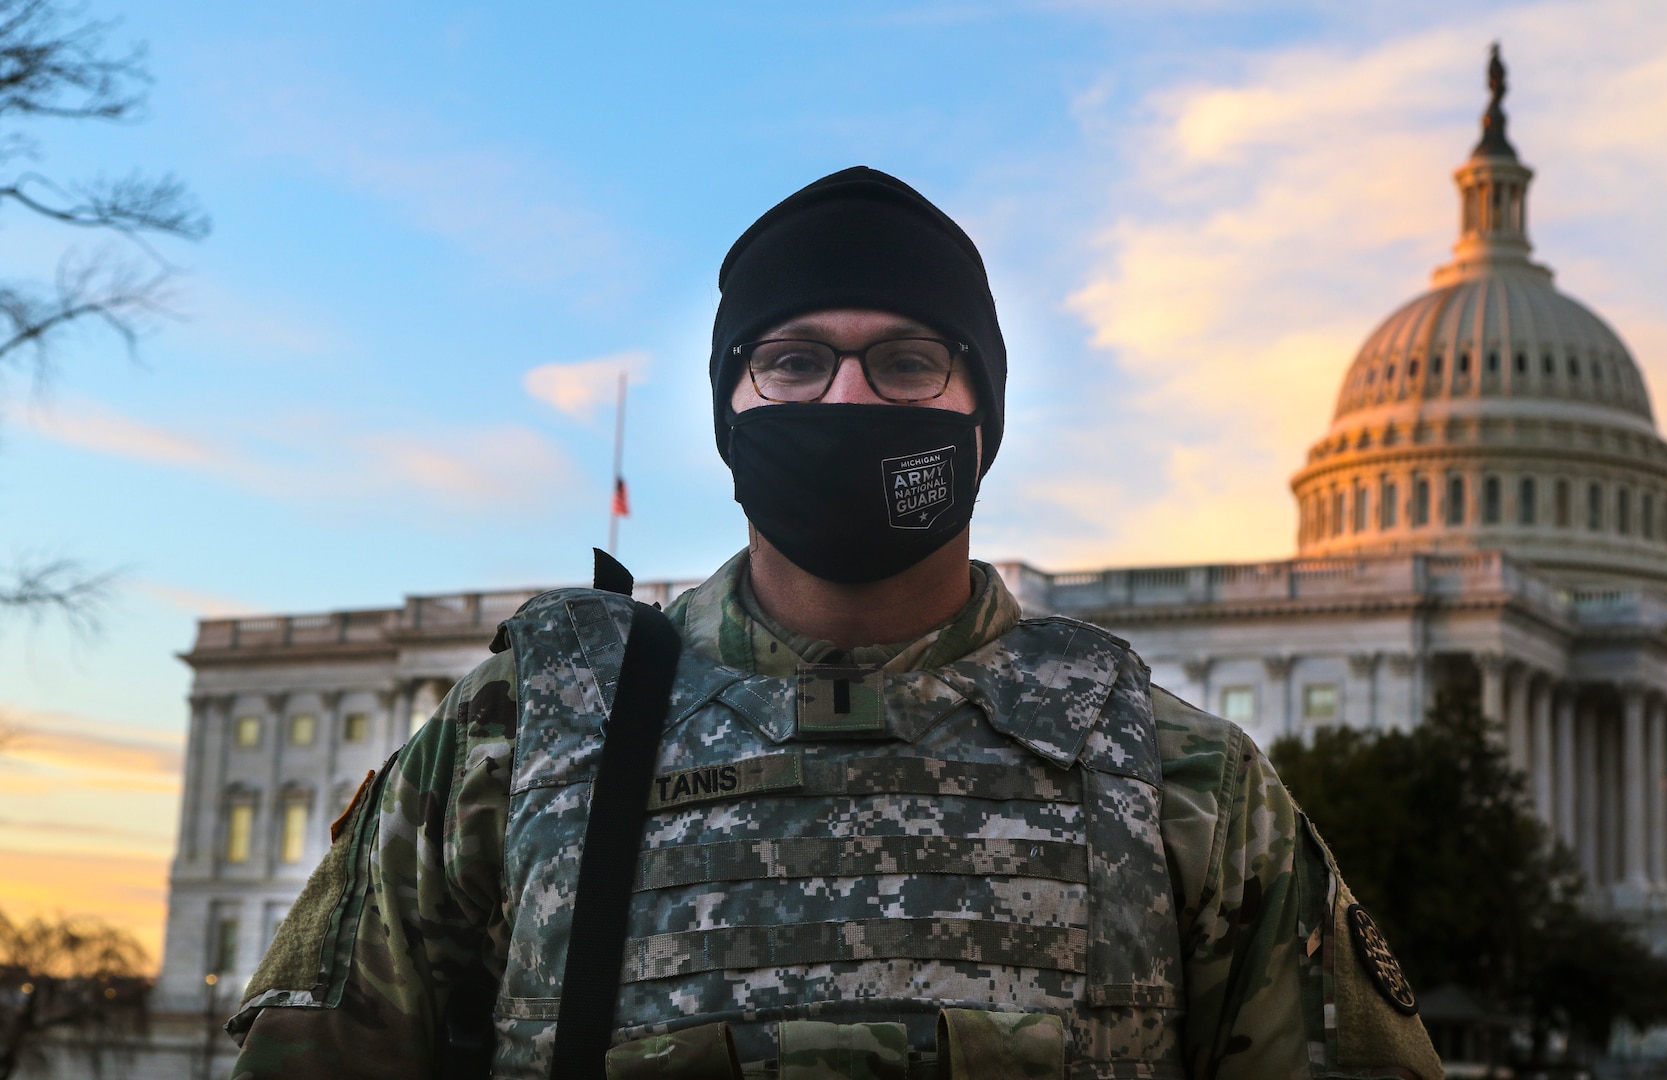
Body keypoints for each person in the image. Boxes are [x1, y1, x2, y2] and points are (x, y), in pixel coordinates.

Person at [227, 168, 1442, 1079]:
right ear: (732, 405)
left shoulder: (1180, 776)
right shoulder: (522, 730)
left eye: (907, 362)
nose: (848, 397)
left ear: (981, 411)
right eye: (795, 361)